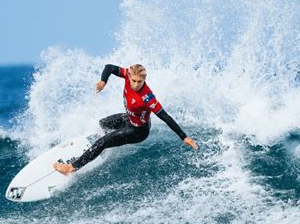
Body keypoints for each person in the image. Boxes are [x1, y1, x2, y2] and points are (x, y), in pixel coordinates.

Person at [53, 64, 198, 175]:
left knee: (102, 142)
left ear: (144, 80)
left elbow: (165, 117)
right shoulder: (127, 76)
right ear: (129, 76)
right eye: (133, 80)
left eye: (139, 82)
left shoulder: (147, 98)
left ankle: (71, 167)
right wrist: (103, 81)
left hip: (138, 131)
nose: (135, 84)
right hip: (129, 118)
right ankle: (103, 146)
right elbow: (109, 67)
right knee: (103, 123)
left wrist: (184, 137)